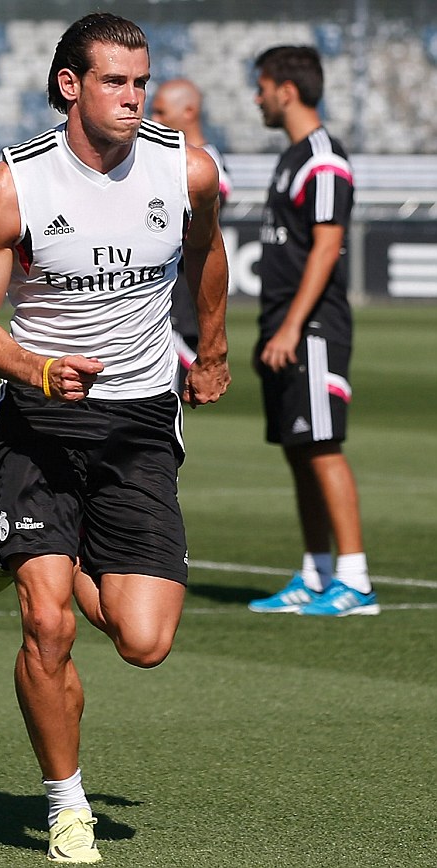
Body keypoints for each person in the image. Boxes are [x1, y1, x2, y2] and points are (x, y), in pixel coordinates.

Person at [0, 13, 230, 863]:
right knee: (49, 625)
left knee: (145, 642)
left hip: (141, 420)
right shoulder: (10, 188)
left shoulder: (187, 169)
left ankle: (38, 550)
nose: (134, 97)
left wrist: (212, 346)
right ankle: (66, 805)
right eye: (116, 81)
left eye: (141, 81)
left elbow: (208, 253)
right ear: (71, 84)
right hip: (39, 421)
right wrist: (36, 368)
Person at [247, 45, 379, 617]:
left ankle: (356, 581)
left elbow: (327, 248)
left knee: (323, 446)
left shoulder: (323, 159)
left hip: (313, 328)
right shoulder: (291, 158)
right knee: (300, 449)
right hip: (284, 325)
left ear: (287, 90)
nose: (257, 97)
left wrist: (294, 328)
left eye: (262, 86)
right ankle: (316, 574)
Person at [150, 78, 233, 394]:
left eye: (160, 112)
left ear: (188, 111)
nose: (153, 120)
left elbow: (195, 232)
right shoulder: (170, 160)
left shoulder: (208, 167)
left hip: (181, 306)